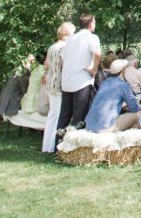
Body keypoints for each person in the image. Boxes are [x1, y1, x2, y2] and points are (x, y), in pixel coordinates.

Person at [57, 13, 101, 133]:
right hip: (82, 81)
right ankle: (74, 147)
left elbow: (63, 57)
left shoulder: (72, 38)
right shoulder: (92, 37)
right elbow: (97, 54)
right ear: (91, 23)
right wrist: (94, 69)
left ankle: (58, 145)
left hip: (67, 81)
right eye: (95, 22)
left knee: (64, 115)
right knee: (79, 116)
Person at [42, 22, 75, 153]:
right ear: (68, 34)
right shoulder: (65, 48)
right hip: (61, 84)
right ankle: (54, 146)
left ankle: (47, 146)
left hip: (51, 84)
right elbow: (66, 65)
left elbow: (46, 65)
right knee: (60, 116)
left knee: (52, 115)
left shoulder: (52, 47)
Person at [85, 59, 141, 133]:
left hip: (89, 125)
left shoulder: (104, 83)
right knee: (139, 115)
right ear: (123, 70)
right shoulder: (123, 85)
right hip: (105, 127)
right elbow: (134, 109)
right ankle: (128, 141)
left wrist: (122, 105)